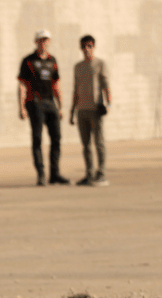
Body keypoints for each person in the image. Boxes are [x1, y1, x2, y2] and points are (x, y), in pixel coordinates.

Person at [18, 30, 69, 186]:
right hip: (34, 102)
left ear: (49, 42)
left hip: (50, 102)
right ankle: (41, 174)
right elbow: (22, 85)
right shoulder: (28, 61)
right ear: (36, 42)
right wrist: (21, 107)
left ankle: (55, 174)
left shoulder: (52, 61)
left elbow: (56, 84)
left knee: (56, 138)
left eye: (46, 40)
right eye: (40, 40)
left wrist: (60, 106)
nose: (43, 43)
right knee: (37, 138)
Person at [70, 34, 111, 186]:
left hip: (95, 109)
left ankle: (101, 173)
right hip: (82, 110)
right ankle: (89, 173)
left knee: (99, 142)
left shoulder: (100, 64)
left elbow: (106, 85)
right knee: (85, 145)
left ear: (94, 46)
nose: (86, 49)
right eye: (84, 46)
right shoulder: (78, 67)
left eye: (89, 46)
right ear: (80, 48)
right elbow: (75, 89)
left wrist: (108, 103)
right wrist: (72, 111)